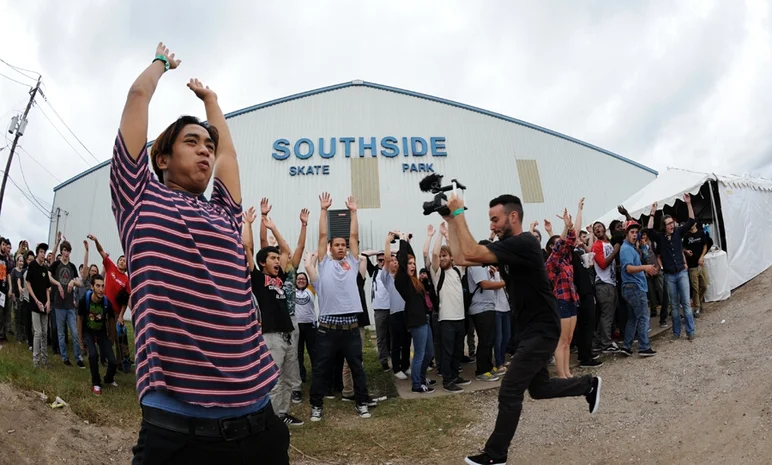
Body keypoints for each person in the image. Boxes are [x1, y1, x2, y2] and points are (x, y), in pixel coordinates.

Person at [112, 43, 288, 464]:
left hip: (258, 424)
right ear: (162, 159)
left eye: (207, 145)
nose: (205, 150)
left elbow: (228, 151)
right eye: (192, 142)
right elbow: (137, 99)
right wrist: (161, 65)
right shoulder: (138, 199)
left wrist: (212, 102)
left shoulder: (224, 212)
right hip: (178, 434)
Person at [442, 193, 600, 465]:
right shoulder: (505, 248)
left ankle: (495, 455)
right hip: (528, 329)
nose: (491, 225)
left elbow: (470, 252)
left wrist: (458, 214)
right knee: (537, 389)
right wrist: (450, 219)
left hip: (542, 327)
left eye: (495, 219)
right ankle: (588, 384)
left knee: (510, 389)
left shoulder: (524, 242)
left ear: (512, 217)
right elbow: (460, 257)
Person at [309, 192, 374, 421]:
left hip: (350, 328)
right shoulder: (324, 264)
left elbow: (354, 235)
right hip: (327, 328)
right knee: (320, 369)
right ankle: (316, 405)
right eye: (336, 245)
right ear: (329, 248)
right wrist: (324, 210)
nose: (341, 247)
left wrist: (354, 212)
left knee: (357, 367)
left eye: (343, 245)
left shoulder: (352, 262)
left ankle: (362, 402)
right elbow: (322, 233)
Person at [243, 206, 304, 428]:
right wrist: (248, 223)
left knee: (289, 379)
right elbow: (247, 247)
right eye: (272, 258)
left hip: (288, 334)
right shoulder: (258, 279)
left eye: (278, 258)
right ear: (262, 263)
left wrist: (274, 227)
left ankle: (282, 413)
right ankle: (267, 418)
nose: (278, 261)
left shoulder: (279, 279)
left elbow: (287, 251)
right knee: (273, 379)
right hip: (271, 336)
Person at [389, 232, 435, 394]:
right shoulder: (401, 280)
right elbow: (402, 260)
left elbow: (409, 256)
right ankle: (416, 384)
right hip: (416, 321)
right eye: (410, 263)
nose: (412, 265)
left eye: (414, 263)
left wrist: (407, 242)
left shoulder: (415, 280)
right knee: (420, 354)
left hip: (424, 319)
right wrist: (401, 239)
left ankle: (421, 377)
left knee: (430, 352)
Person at [646, 195, 697, 341]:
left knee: (686, 303)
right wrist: (652, 212)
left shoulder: (678, 232)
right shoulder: (660, 237)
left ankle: (690, 331)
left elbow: (691, 221)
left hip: (681, 273)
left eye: (672, 223)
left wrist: (688, 203)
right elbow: (649, 230)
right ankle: (676, 333)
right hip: (669, 275)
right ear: (664, 225)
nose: (671, 225)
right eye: (668, 223)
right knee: (674, 306)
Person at [429, 222, 471, 393]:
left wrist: (449, 236)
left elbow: (460, 252)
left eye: (446, 256)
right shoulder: (437, 273)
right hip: (446, 319)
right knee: (447, 351)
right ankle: (447, 381)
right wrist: (440, 235)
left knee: (458, 350)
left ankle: (454, 375)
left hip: (460, 318)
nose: (443, 258)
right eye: (441, 256)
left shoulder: (457, 271)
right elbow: (433, 253)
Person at [544, 208, 580, 379]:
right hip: (561, 301)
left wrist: (570, 226)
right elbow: (560, 246)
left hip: (571, 300)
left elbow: (571, 242)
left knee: (569, 339)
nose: (563, 243)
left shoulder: (566, 259)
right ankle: (561, 375)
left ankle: (567, 372)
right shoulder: (552, 261)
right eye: (558, 242)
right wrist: (564, 229)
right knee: (562, 340)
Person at [618, 221, 658, 357]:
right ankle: (644, 347)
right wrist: (645, 268)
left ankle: (627, 346)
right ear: (626, 233)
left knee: (633, 318)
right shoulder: (626, 249)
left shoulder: (630, 247)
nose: (635, 235)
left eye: (636, 232)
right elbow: (628, 268)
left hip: (631, 287)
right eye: (632, 232)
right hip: (634, 287)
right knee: (643, 317)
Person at [466, 242, 505, 382]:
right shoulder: (476, 265)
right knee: (485, 339)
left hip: (487, 307)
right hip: (481, 308)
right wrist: (505, 283)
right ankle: (482, 371)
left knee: (489, 338)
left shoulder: (482, 265)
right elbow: (484, 284)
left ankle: (488, 367)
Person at [77, 274, 119, 395]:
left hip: (101, 331)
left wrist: (112, 337)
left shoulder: (106, 303)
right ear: (92, 287)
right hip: (88, 331)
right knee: (93, 355)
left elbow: (111, 320)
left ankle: (108, 379)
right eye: (98, 286)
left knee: (112, 361)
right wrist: (80, 340)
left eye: (102, 286)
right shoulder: (84, 300)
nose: (101, 289)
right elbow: (79, 319)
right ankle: (96, 383)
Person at [48, 234, 85, 368]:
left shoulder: (72, 266)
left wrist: (72, 281)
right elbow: (49, 271)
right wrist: (57, 243)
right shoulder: (56, 264)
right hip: (58, 304)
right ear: (61, 251)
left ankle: (78, 357)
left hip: (70, 305)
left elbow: (80, 283)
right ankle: (65, 357)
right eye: (64, 250)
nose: (66, 253)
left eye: (68, 251)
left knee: (74, 333)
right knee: (61, 333)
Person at [590, 221, 621, 354]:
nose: (597, 229)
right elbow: (602, 264)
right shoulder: (596, 246)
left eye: (599, 227)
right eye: (595, 228)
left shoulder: (607, 243)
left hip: (611, 283)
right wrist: (615, 251)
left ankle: (598, 342)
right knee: (606, 315)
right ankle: (606, 343)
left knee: (608, 314)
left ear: (604, 228)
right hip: (604, 284)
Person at [26, 243, 51, 368]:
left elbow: (47, 287)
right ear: (37, 253)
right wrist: (36, 300)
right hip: (35, 304)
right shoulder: (32, 266)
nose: (43, 254)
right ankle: (36, 361)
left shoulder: (44, 269)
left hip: (44, 304)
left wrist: (48, 301)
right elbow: (28, 284)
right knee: (38, 332)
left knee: (45, 332)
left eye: (44, 252)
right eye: (41, 252)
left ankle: (45, 359)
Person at [370, 248, 392, 373]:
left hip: (392, 307)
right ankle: (384, 361)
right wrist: (376, 252)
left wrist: (386, 252)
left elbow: (400, 254)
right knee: (381, 336)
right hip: (379, 309)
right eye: (380, 260)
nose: (382, 262)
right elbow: (362, 256)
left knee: (394, 336)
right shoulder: (373, 270)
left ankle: (396, 360)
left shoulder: (391, 270)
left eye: (385, 260)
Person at [683, 223, 711, 317]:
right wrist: (686, 252)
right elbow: (683, 249)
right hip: (692, 266)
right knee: (695, 288)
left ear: (695, 223)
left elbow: (705, 246)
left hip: (701, 264)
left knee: (705, 285)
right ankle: (697, 307)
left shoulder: (701, 233)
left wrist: (702, 256)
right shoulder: (686, 236)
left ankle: (698, 302)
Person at [295, 267, 317, 387]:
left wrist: (310, 263)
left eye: (303, 279)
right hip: (297, 325)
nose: (301, 280)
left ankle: (316, 376)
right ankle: (300, 376)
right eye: (299, 279)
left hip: (310, 325)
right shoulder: (292, 290)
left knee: (313, 352)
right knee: (298, 353)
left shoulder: (311, 289)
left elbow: (313, 274)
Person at [10, 255, 27, 346]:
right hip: (16, 297)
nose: (21, 263)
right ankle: (18, 337)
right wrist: (12, 294)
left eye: (22, 261)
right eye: (20, 261)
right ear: (16, 261)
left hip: (23, 298)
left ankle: (24, 335)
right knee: (17, 317)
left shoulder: (24, 272)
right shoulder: (14, 271)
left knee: (23, 317)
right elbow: (12, 283)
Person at [0, 237, 12, 342]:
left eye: (5, 245)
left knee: (4, 312)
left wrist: (10, 287)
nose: (4, 246)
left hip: (4, 288)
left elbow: (8, 273)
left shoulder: (6, 259)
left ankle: (3, 334)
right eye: (3, 244)